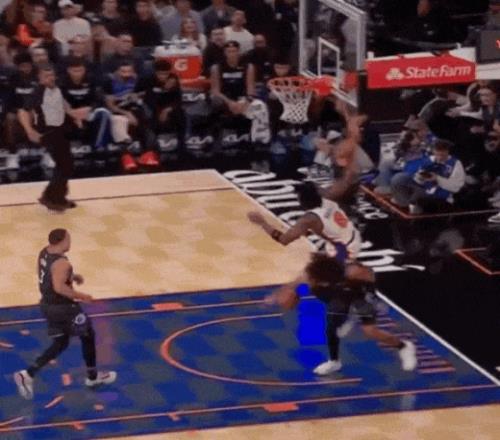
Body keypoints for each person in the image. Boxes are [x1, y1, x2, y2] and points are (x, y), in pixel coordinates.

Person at [266, 253, 417, 375]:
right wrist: (277, 295)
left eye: (317, 281)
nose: (312, 282)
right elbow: (293, 285)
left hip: (359, 293)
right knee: (331, 327)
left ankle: (403, 346)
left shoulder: (354, 272)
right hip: (340, 294)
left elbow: (370, 280)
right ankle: (334, 362)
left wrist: (370, 302)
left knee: (370, 331)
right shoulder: (312, 274)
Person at [14, 229, 117, 400]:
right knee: (88, 335)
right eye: (68, 239)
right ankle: (92, 378)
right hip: (64, 308)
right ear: (61, 241)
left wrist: (71, 276)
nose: (70, 242)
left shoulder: (45, 252)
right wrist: (82, 296)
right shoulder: (62, 263)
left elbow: (49, 274)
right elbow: (59, 287)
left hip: (47, 305)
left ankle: (28, 374)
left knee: (61, 343)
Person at [18, 64, 81, 211]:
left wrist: (74, 115)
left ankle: (54, 196)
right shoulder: (38, 92)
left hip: (60, 130)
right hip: (48, 132)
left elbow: (62, 103)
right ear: (40, 78)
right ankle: (53, 198)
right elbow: (23, 111)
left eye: (52, 75)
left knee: (66, 164)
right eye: (46, 76)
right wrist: (29, 130)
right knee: (65, 165)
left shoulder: (56, 88)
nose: (50, 78)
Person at [248, 181, 362, 262]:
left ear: (303, 200)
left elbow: (284, 240)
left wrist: (262, 223)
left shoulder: (309, 219)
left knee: (315, 277)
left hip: (345, 250)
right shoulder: (328, 198)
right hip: (352, 234)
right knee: (317, 257)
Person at [391, 139, 466, 214]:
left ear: (447, 152)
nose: (439, 158)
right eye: (437, 155)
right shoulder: (429, 160)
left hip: (440, 195)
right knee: (399, 178)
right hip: (424, 188)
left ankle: (411, 205)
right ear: (434, 151)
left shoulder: (456, 164)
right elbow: (418, 179)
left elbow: (456, 187)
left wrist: (437, 179)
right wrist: (420, 177)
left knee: (419, 195)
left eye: (442, 155)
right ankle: (405, 203)